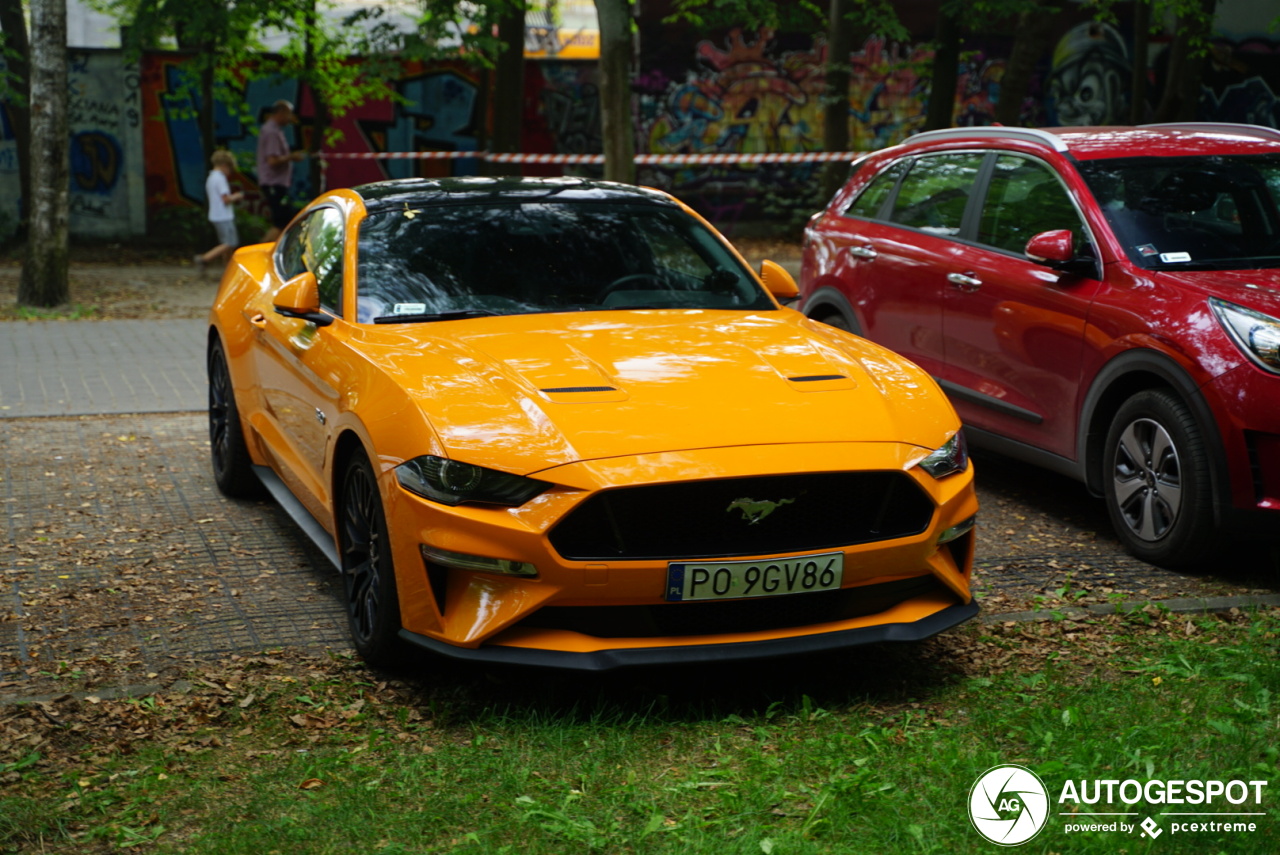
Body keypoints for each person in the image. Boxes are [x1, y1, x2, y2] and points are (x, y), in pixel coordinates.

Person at [256, 99, 305, 242]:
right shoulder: (271, 132)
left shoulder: (273, 130)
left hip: (277, 183)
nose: (290, 118)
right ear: (281, 112)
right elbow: (272, 161)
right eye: (289, 114)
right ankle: (259, 255)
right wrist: (292, 157)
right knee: (281, 222)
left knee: (285, 221)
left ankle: (273, 254)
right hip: (274, 183)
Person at [194, 149, 244, 276]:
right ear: (224, 166)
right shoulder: (220, 179)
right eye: (230, 169)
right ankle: (205, 258)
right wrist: (237, 196)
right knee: (230, 243)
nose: (229, 172)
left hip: (216, 215)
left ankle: (228, 269)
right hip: (224, 215)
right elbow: (226, 199)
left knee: (226, 244)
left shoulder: (211, 177)